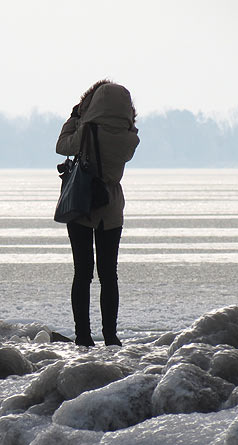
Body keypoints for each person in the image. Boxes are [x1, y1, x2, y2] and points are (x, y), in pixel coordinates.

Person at [55, 80, 140, 347]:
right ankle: (111, 336)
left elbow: (62, 146)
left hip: (82, 203)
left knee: (82, 273)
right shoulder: (130, 138)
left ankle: (83, 336)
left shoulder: (86, 131)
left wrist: (75, 118)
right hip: (111, 207)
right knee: (108, 274)